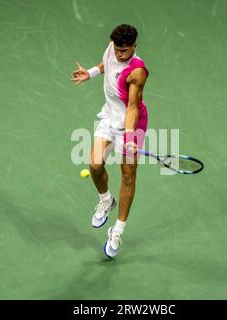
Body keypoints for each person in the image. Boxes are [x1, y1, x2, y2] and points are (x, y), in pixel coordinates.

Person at [71, 24, 149, 258]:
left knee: (127, 174)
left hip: (132, 124)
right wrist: (91, 73)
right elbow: (107, 65)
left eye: (124, 51)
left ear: (134, 46)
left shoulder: (137, 72)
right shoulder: (112, 50)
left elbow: (133, 107)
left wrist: (128, 138)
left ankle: (118, 230)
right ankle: (106, 200)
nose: (119, 54)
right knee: (95, 164)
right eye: (117, 49)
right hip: (109, 117)